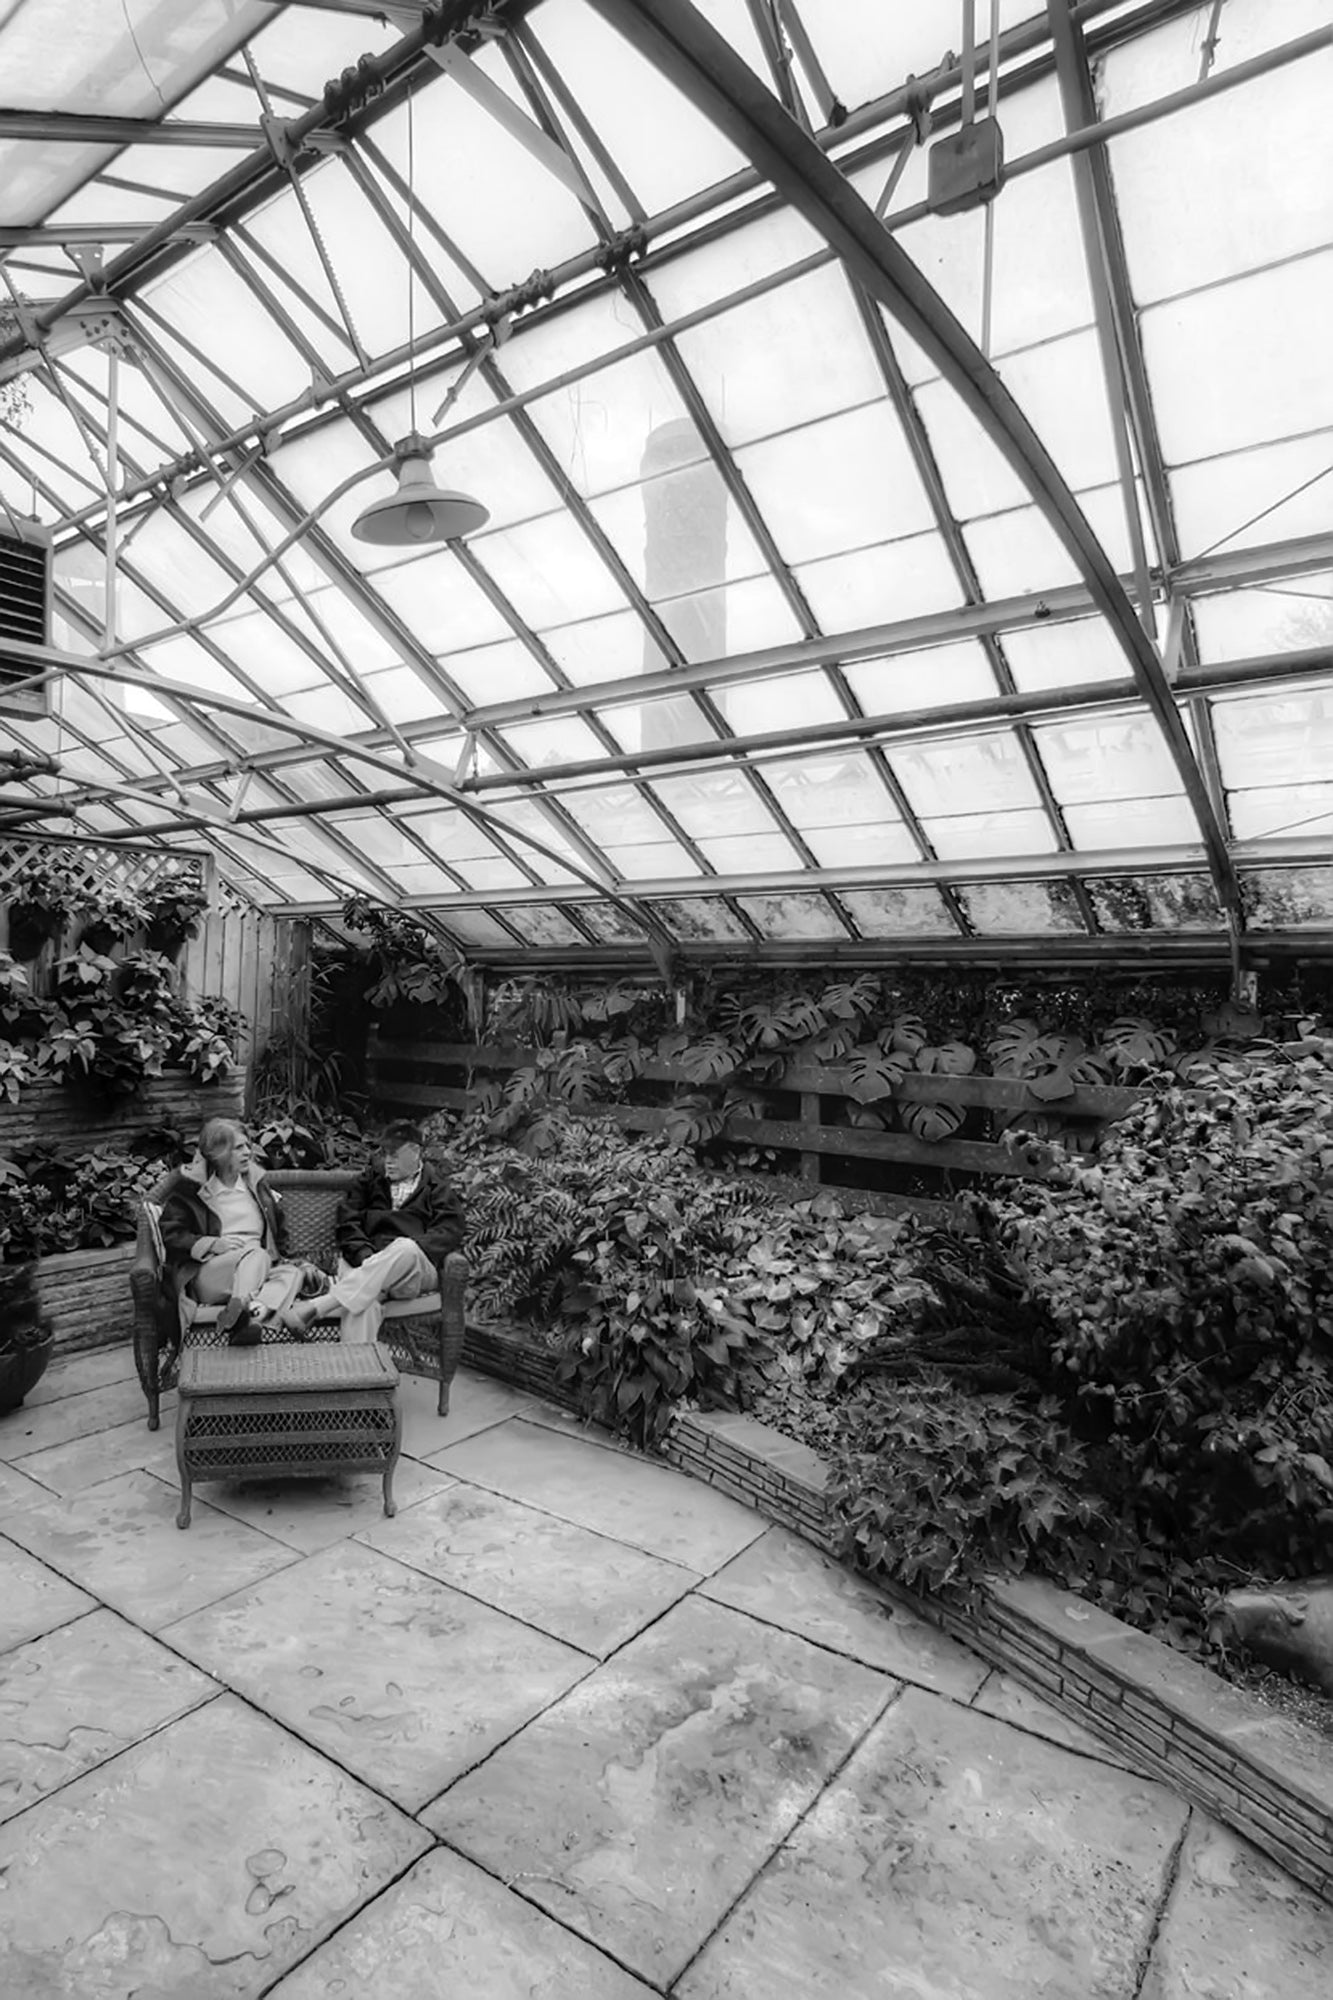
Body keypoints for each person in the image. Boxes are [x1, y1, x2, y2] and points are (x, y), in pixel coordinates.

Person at [279, 1119, 464, 1344]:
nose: (388, 1161)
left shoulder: (437, 1188)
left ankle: (320, 1306)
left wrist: (395, 1256)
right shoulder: (369, 1180)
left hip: (412, 1272)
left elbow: (448, 1232)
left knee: (405, 1247)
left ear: (415, 1152)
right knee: (364, 1306)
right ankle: (357, 1367)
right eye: (385, 1154)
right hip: (365, 1263)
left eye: (394, 1155)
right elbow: (348, 1223)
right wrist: (365, 1256)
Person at [158, 1118, 304, 1347]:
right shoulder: (192, 1190)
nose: (247, 1152)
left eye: (247, 1145)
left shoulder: (256, 1184)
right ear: (218, 1153)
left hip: (258, 1270)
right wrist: (212, 1244)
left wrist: (286, 1259)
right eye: (238, 1148)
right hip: (210, 1273)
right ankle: (248, 1315)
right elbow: (171, 1234)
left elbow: (280, 1231)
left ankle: (245, 1316)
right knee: (257, 1254)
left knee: (292, 1274)